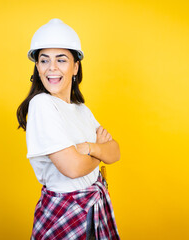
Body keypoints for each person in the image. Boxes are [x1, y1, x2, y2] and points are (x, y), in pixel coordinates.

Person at [16, 18, 120, 240]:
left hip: (92, 211)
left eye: (61, 60)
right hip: (64, 212)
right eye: (44, 60)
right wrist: (99, 151)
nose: (51, 68)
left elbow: (115, 152)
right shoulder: (42, 104)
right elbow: (72, 168)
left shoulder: (82, 110)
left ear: (75, 66)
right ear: (37, 66)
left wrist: (89, 148)